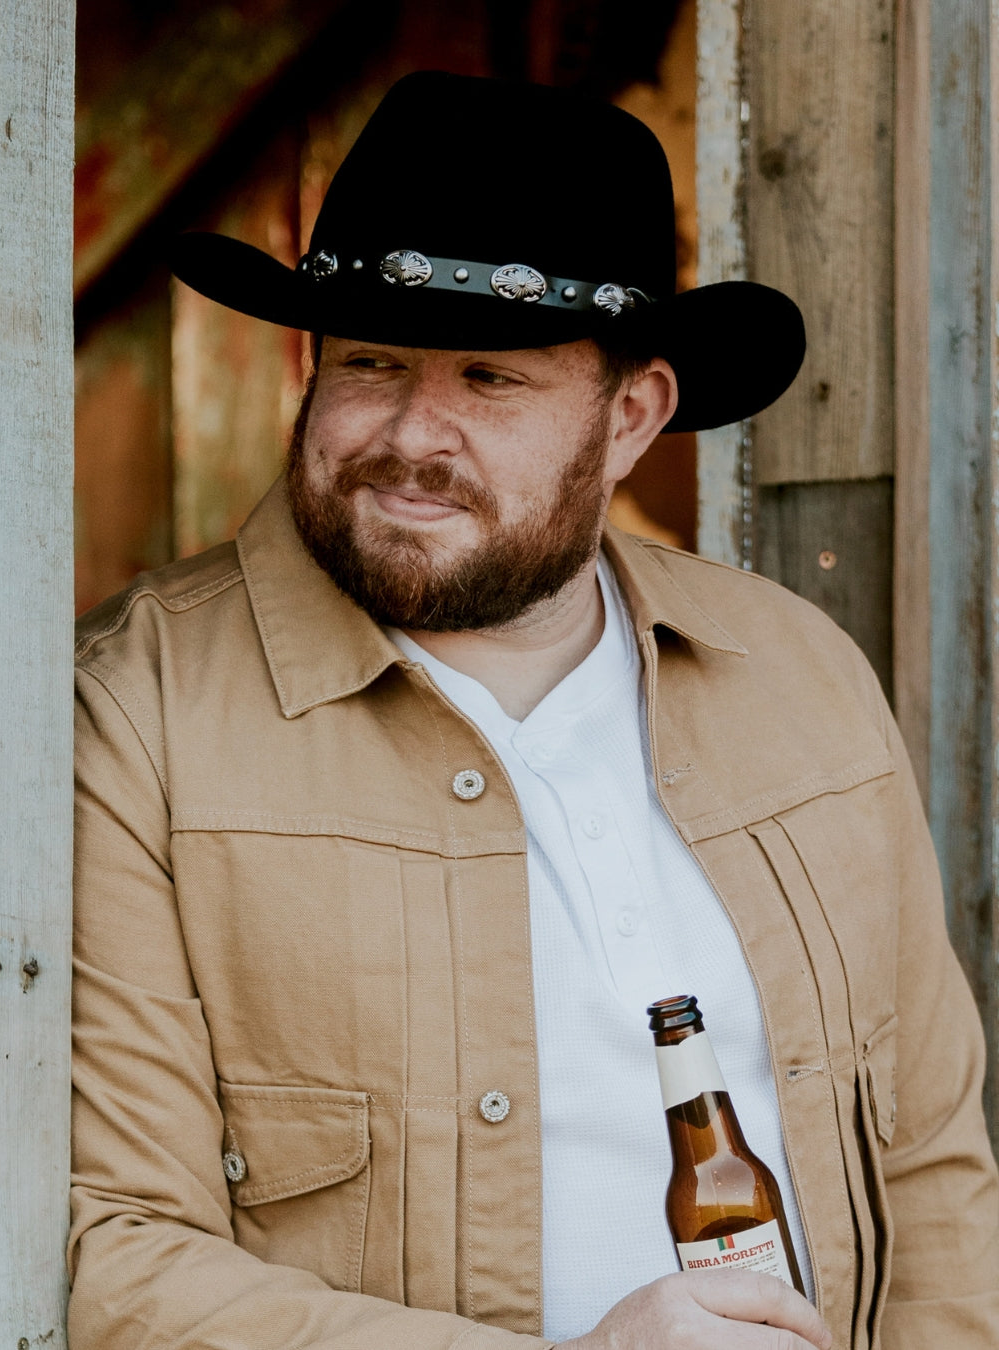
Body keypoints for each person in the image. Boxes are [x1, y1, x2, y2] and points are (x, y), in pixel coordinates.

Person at [68, 72, 999, 1350]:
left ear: (631, 417)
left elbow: (933, 1175)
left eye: (490, 379)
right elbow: (113, 1256)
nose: (413, 434)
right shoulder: (135, 718)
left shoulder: (800, 677)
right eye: (371, 362)